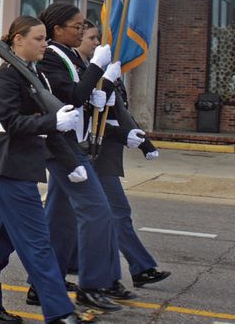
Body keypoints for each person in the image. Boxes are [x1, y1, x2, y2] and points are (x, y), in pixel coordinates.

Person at [0, 15, 90, 324]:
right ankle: (60, 312)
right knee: (37, 242)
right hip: (9, 165)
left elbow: (49, 125)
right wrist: (53, 121)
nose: (45, 43)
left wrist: (71, 161)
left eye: (45, 38)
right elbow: (11, 123)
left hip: (22, 164)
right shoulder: (6, 77)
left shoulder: (32, 74)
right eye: (38, 38)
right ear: (18, 40)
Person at [31, 2, 130, 313]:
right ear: (57, 29)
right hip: (62, 148)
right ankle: (92, 285)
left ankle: (42, 284)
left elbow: (82, 95)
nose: (81, 31)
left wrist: (102, 90)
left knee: (59, 221)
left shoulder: (71, 56)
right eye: (76, 27)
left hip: (75, 145)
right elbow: (71, 97)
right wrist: (98, 70)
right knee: (98, 212)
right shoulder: (50, 58)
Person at [74, 21, 170, 291]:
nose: (96, 43)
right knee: (114, 214)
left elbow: (121, 113)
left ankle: (113, 275)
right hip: (94, 152)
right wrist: (104, 81)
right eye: (92, 38)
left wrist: (143, 142)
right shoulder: (86, 73)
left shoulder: (101, 72)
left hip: (107, 150)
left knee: (97, 217)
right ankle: (134, 269)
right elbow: (86, 107)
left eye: (98, 38)